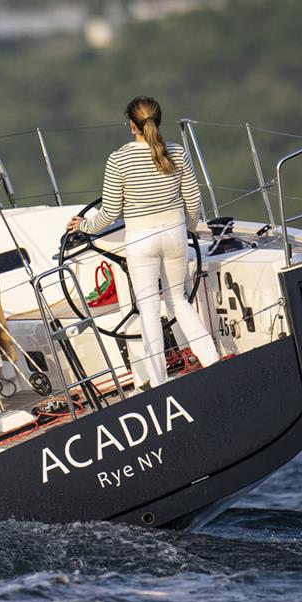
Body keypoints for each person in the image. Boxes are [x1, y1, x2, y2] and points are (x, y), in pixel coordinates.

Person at [65, 96, 221, 390]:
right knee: (178, 300)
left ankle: (160, 382)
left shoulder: (119, 159)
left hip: (141, 241)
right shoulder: (177, 151)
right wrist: (186, 229)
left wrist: (83, 226)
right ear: (158, 121)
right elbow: (193, 200)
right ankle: (212, 361)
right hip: (175, 234)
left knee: (149, 308)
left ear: (131, 125)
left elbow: (109, 212)